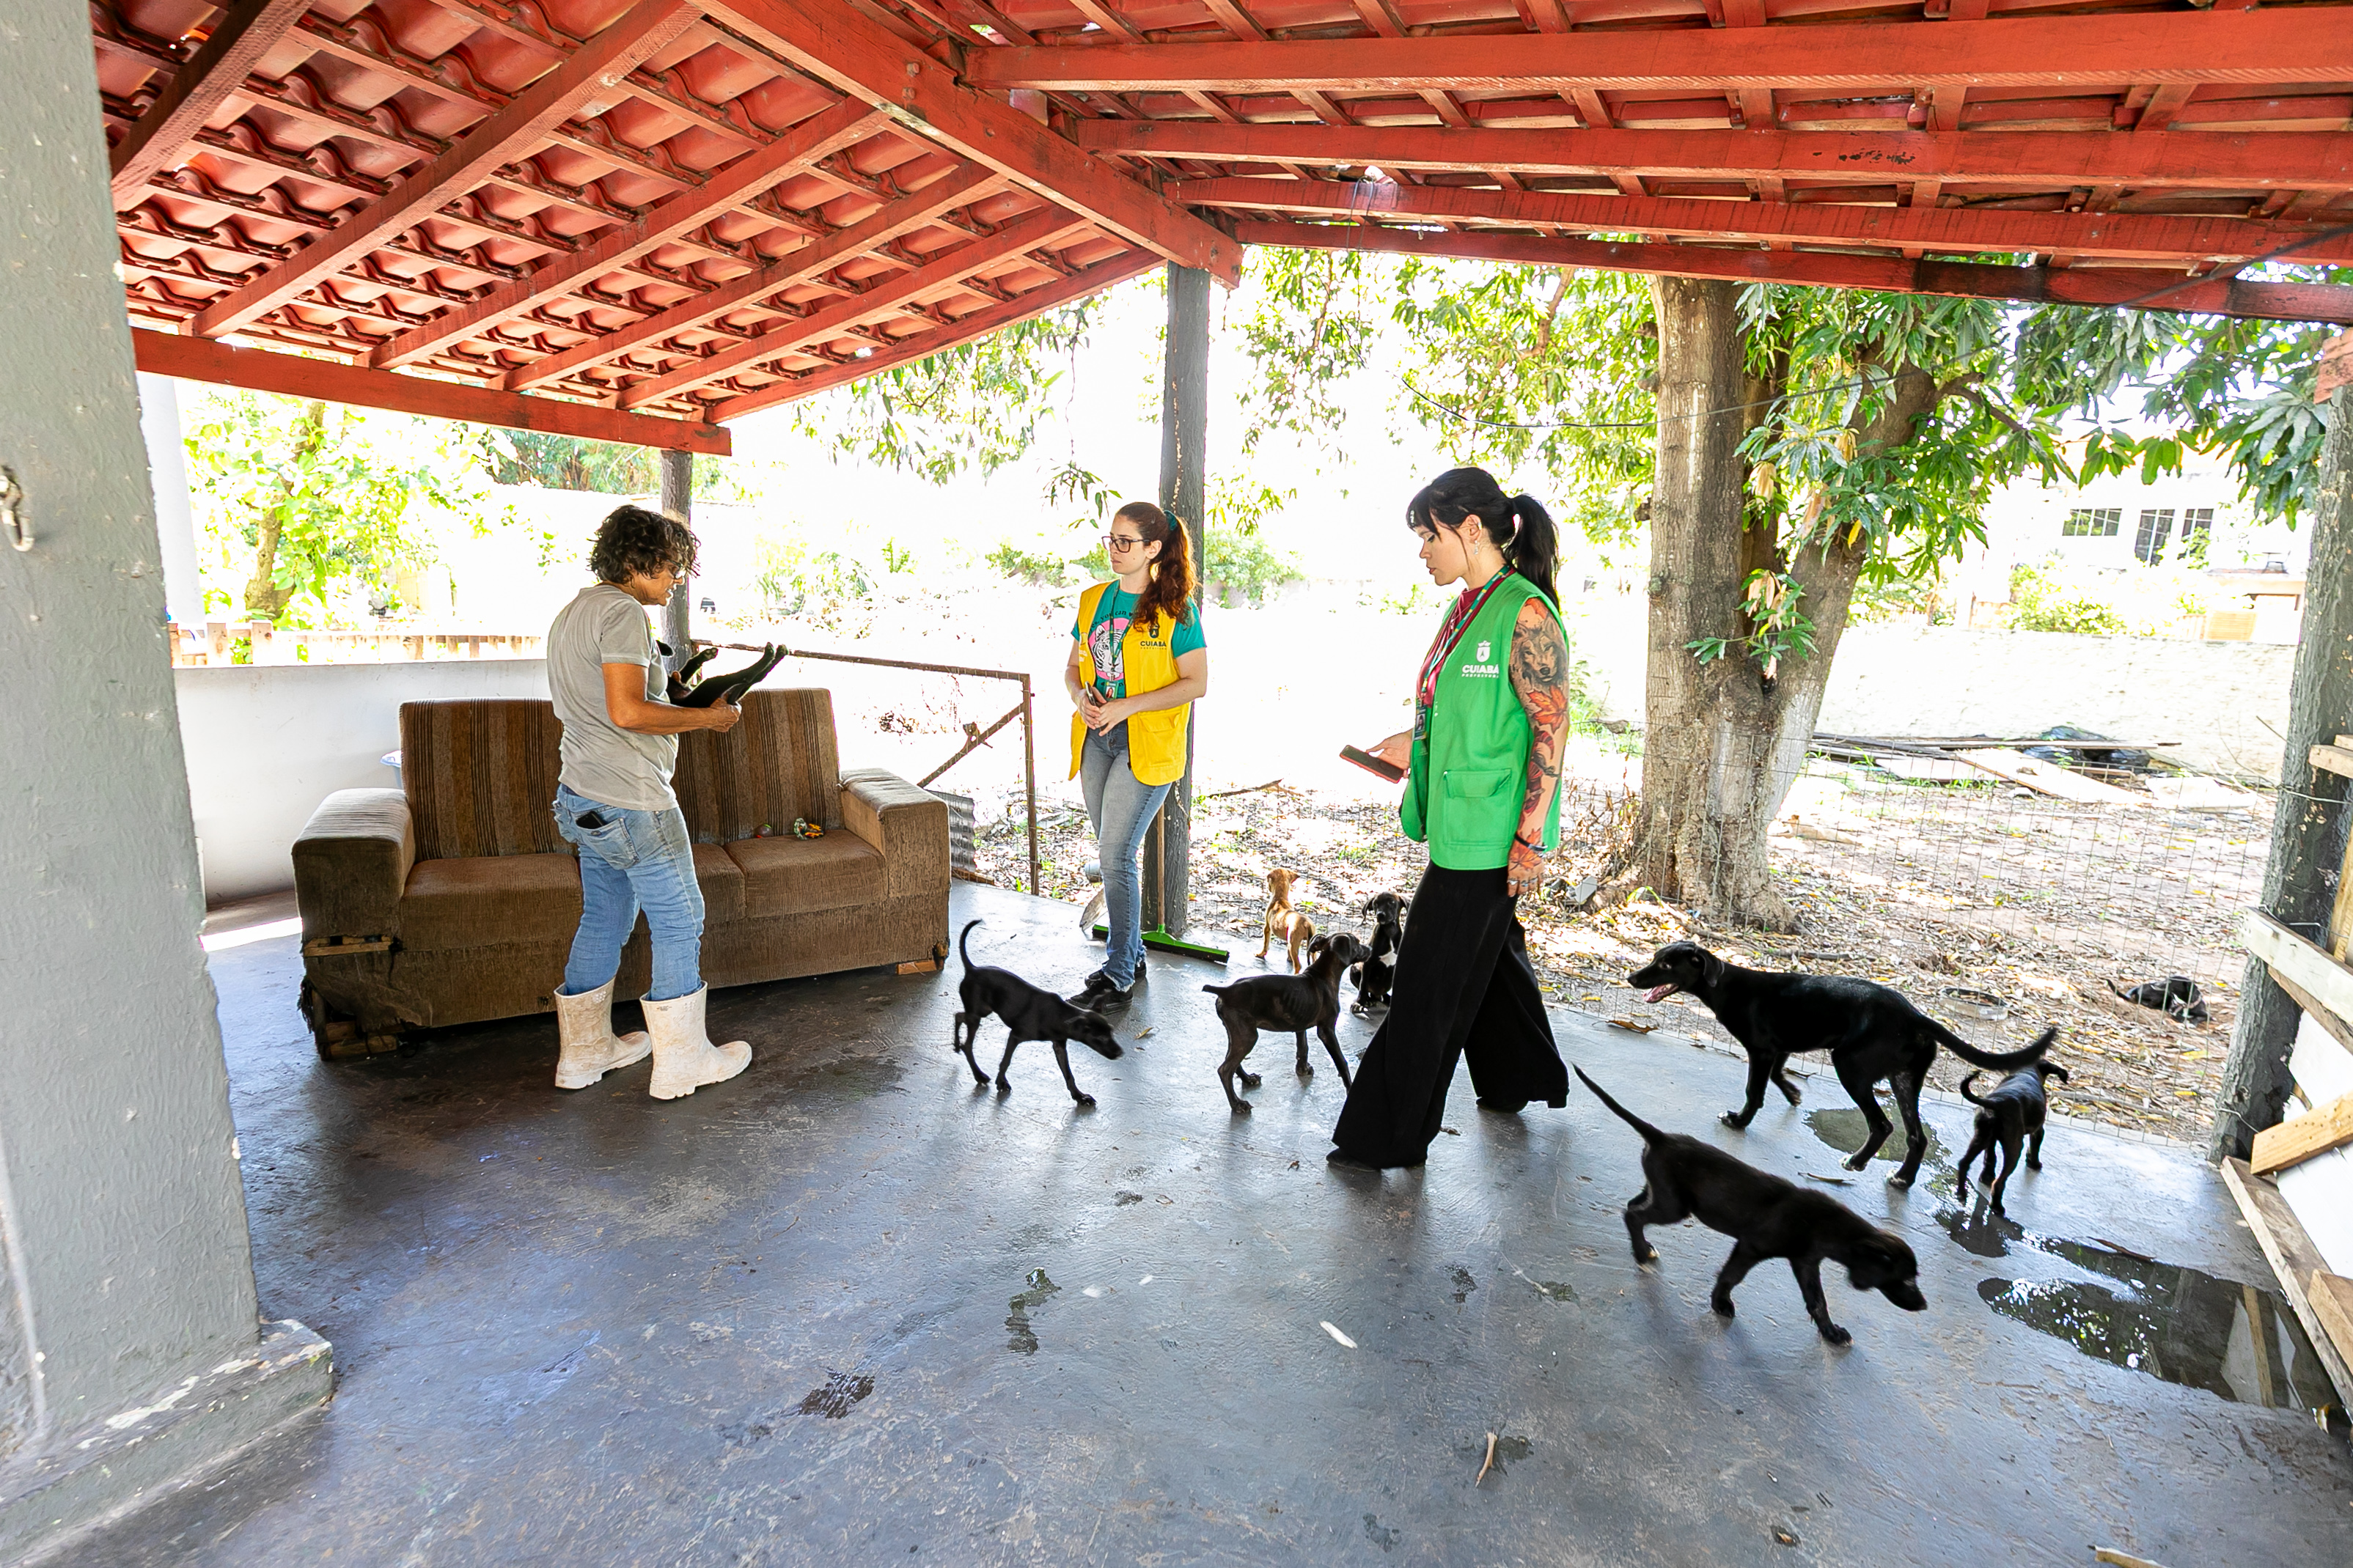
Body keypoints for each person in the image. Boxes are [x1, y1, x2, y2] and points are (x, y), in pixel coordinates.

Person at [1329, 467, 1574, 1169]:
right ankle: (1517, 1076)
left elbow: (1549, 729)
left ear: (1470, 529)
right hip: (1462, 819)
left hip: (1490, 838)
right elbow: (1461, 707)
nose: (1421, 551)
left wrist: (1529, 837)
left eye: (1427, 535)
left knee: (1428, 988)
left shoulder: (1524, 613)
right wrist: (1415, 743)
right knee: (1487, 960)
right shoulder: (1466, 605)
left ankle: (1387, 1136)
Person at [544, 504, 752, 1100]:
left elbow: (609, 700)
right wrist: (709, 718)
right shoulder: (622, 612)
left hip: (581, 795)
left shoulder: (574, 612)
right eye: (670, 565)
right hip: (632, 800)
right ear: (637, 561)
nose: (676, 578)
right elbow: (628, 712)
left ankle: (584, 1055)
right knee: (681, 918)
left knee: (604, 919)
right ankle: (683, 1062)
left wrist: (678, 690)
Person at [1063, 501, 1210, 1007]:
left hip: (1147, 744)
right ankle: (1134, 954)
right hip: (1096, 740)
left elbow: (1197, 683)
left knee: (1114, 855)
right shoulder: (1091, 600)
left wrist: (1128, 706)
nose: (1114, 549)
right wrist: (1081, 697)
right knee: (1113, 852)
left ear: (1153, 549)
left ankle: (1119, 971)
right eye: (1110, 539)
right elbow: (1073, 668)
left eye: (1126, 541)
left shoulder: (1176, 609)